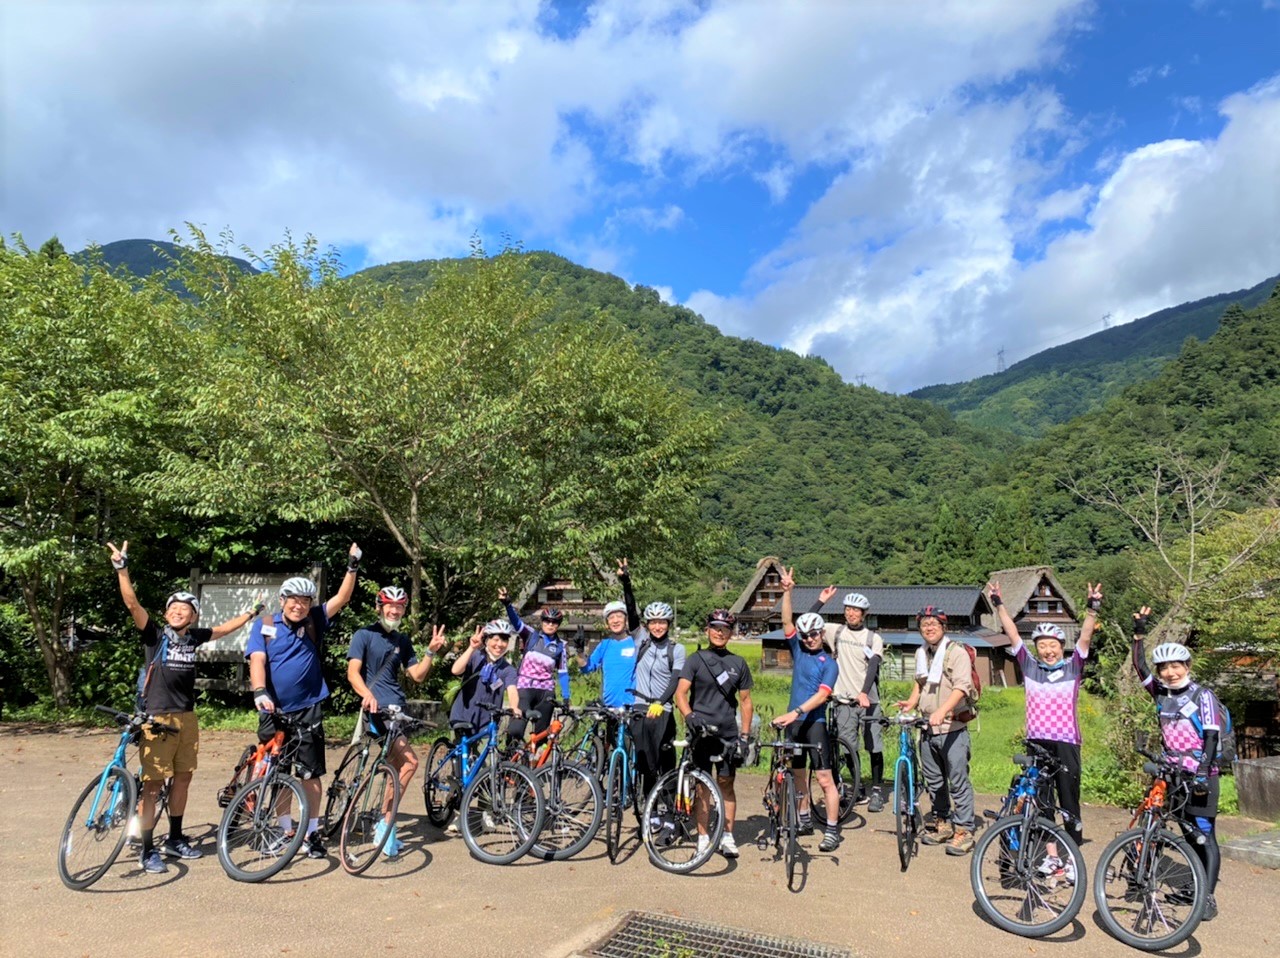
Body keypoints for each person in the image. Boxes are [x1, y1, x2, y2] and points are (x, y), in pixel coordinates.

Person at [107, 540, 265, 875]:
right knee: (152, 785)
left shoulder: (194, 638)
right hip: (157, 715)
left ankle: (176, 838)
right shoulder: (155, 636)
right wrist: (122, 568)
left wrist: (251, 613)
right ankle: (148, 849)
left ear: (194, 617)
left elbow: (223, 630)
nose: (179, 612)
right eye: (174, 608)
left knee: (183, 779)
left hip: (187, 717)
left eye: (186, 609)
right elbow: (132, 603)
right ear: (167, 613)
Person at [246, 543, 361, 861]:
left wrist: (352, 565)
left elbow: (342, 599)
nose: (299, 605)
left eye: (305, 600)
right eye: (293, 599)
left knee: (309, 775)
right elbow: (257, 660)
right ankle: (285, 831)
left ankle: (310, 834)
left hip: (309, 706)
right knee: (279, 772)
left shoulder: (313, 619)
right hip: (274, 708)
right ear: (282, 600)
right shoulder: (266, 623)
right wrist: (259, 691)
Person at [989, 579, 1099, 857]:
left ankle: (1072, 854)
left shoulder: (1074, 666)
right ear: (1036, 648)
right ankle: (1051, 856)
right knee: (1043, 800)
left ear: (1062, 646)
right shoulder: (1028, 666)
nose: (1048, 650)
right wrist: (999, 604)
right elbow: (1013, 634)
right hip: (1037, 743)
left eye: (1053, 645)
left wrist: (1092, 609)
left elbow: (1085, 638)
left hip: (1066, 743)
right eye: (1042, 646)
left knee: (1069, 799)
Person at [1131, 607, 1224, 921]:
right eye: (1165, 667)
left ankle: (1207, 897)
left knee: (1203, 834)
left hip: (1201, 776)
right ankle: (1196, 887)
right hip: (1172, 774)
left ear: (1187, 666)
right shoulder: (1160, 693)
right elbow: (1139, 666)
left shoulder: (1202, 696)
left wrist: (1201, 772)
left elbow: (1211, 737)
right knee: (1186, 833)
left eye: (1176, 666)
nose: (1170, 672)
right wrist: (1139, 632)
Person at [346, 586, 447, 857]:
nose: (394, 610)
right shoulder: (364, 635)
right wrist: (367, 695)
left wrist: (431, 652)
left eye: (399, 606)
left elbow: (417, 676)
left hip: (397, 711)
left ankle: (384, 821)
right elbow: (353, 673)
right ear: (379, 607)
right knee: (411, 762)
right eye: (389, 605)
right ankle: (384, 824)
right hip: (377, 711)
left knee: (395, 766)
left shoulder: (402, 640)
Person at [895, 605, 977, 856]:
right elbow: (920, 683)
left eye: (934, 624)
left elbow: (962, 687)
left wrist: (942, 711)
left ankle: (964, 830)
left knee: (958, 780)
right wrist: (911, 702)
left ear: (944, 627)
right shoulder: (923, 653)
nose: (929, 628)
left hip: (953, 728)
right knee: (935, 781)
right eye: (924, 625)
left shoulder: (956, 652)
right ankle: (942, 822)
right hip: (927, 728)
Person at [674, 609, 754, 859]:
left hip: (728, 732)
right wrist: (690, 716)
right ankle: (703, 836)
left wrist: (744, 736)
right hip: (702, 732)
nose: (720, 632)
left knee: (726, 784)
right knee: (702, 787)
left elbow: (746, 701)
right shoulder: (695, 659)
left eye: (725, 628)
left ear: (731, 633)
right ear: (708, 630)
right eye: (716, 627)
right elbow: (680, 693)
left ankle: (727, 836)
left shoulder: (738, 663)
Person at [776, 569, 843, 852]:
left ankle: (831, 829)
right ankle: (803, 819)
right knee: (799, 775)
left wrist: (796, 712)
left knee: (824, 778)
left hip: (813, 723)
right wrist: (788, 591)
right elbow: (788, 620)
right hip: (794, 724)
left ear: (822, 633)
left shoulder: (829, 663)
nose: (809, 639)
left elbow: (822, 696)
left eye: (814, 634)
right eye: (805, 636)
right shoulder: (800, 650)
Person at [811, 586, 887, 813]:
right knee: (847, 747)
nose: (851, 613)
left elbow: (873, 666)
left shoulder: (873, 638)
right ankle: (858, 788)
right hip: (844, 701)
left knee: (874, 746)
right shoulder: (836, 632)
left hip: (868, 700)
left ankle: (876, 791)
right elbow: (807, 622)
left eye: (856, 610)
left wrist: (863, 693)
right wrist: (820, 601)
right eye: (848, 609)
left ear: (865, 614)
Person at [630, 600, 687, 811]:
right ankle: (648, 812)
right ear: (647, 624)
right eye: (653, 622)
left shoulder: (677, 649)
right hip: (640, 708)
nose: (657, 627)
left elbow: (675, 680)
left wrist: (661, 702)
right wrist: (626, 581)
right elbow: (631, 612)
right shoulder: (641, 642)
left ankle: (670, 813)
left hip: (663, 710)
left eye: (661, 622)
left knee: (665, 763)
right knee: (646, 765)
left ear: (668, 624)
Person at [499, 587, 571, 743]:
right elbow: (516, 622)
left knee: (541, 737)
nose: (550, 624)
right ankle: (507, 760)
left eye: (554, 622)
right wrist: (507, 604)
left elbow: (563, 673)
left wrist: (566, 698)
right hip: (525, 687)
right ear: (542, 621)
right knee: (516, 730)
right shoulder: (531, 635)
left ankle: (535, 766)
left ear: (558, 625)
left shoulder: (560, 646)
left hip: (546, 692)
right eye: (547, 621)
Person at [576, 558, 641, 709]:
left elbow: (633, 610)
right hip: (609, 708)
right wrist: (579, 651)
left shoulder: (636, 642)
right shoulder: (604, 645)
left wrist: (626, 582)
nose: (615, 620)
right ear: (607, 624)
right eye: (611, 618)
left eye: (619, 616)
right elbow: (586, 668)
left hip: (633, 707)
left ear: (626, 620)